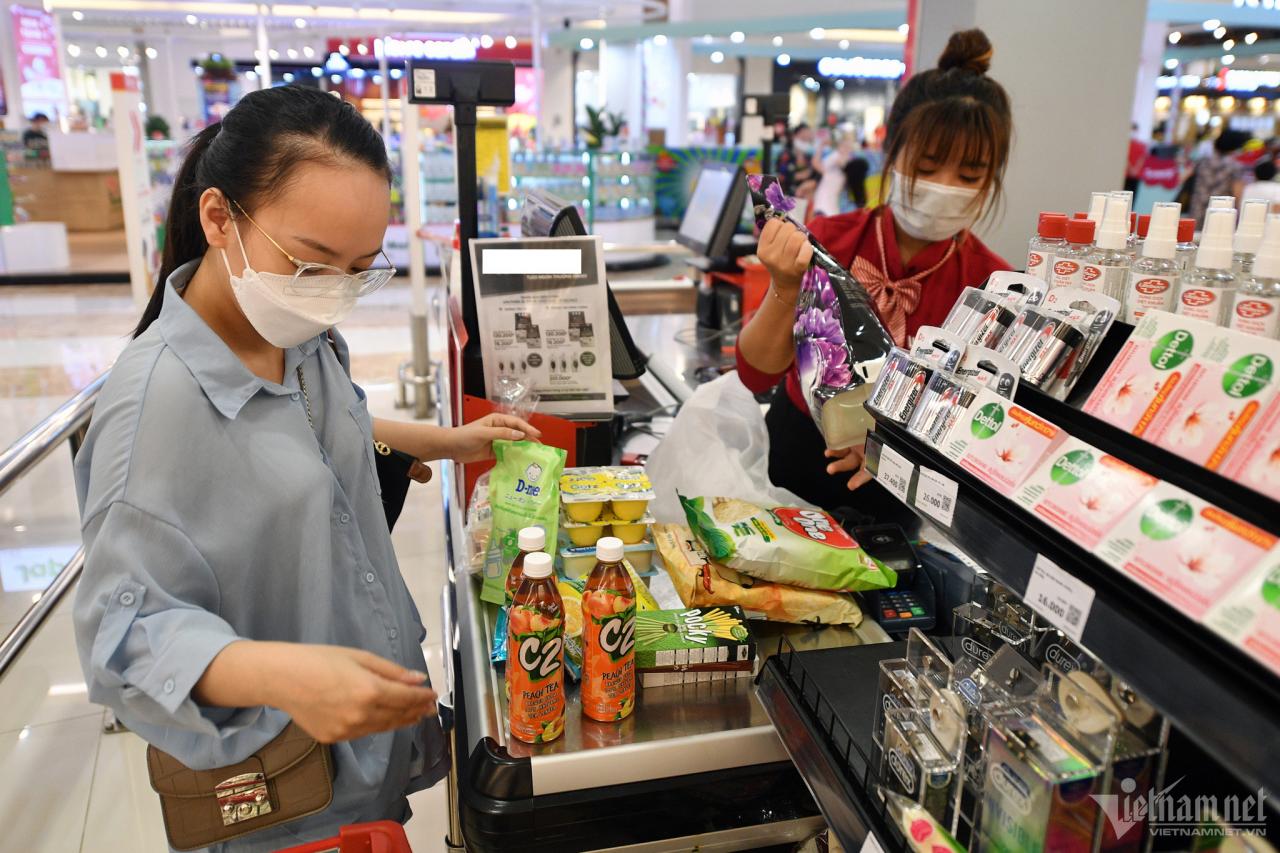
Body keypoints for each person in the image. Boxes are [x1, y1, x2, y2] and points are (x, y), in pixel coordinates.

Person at [72, 86, 540, 852]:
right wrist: (283, 676)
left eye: (360, 269)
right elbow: (124, 639)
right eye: (313, 264)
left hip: (359, 756)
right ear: (219, 217)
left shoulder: (291, 334)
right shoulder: (154, 408)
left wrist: (447, 440)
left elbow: (320, 428)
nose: (334, 296)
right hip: (281, 786)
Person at [737, 29, 1012, 515]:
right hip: (793, 468)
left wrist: (899, 451)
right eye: (926, 167)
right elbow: (755, 372)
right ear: (891, 154)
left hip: (908, 493)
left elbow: (985, 429)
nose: (943, 187)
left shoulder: (993, 290)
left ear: (991, 180)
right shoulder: (829, 239)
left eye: (968, 177)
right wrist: (783, 286)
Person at [1187, 129, 1250, 225]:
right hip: (1220, 212)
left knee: (1194, 238)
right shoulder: (1235, 166)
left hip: (1197, 209)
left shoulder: (1203, 161)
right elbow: (1237, 193)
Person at [812, 134, 856, 217]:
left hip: (829, 204)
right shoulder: (835, 156)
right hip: (824, 202)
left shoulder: (845, 159)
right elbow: (816, 164)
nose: (846, 149)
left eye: (849, 147)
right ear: (839, 146)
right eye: (844, 146)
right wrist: (821, 146)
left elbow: (844, 164)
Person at [776, 123, 818, 200]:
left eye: (807, 138)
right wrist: (799, 176)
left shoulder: (810, 157)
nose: (805, 140)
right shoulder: (785, 155)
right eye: (802, 137)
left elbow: (816, 177)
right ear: (794, 136)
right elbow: (781, 177)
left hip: (806, 197)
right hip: (788, 197)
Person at [1125, 123, 1147, 195]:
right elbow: (1125, 157)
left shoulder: (1141, 144)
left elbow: (1142, 158)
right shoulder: (1125, 144)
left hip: (1136, 176)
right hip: (1126, 175)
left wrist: (1135, 170)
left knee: (1133, 196)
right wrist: (1131, 169)